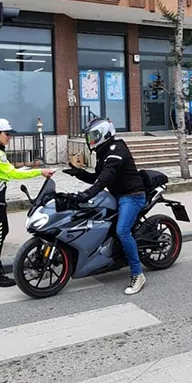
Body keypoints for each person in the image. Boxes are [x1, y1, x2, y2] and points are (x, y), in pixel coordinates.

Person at [63, 118, 148, 295]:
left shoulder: (117, 149)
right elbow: (97, 177)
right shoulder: (103, 152)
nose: (91, 140)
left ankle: (137, 274)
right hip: (116, 196)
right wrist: (78, 173)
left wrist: (86, 194)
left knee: (122, 231)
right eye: (90, 137)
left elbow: (104, 179)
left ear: (105, 134)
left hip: (132, 196)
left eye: (94, 136)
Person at [0, 118, 54, 287]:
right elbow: (12, 174)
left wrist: (21, 171)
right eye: (7, 134)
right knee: (0, 233)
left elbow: (7, 172)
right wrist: (40, 172)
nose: (9, 137)